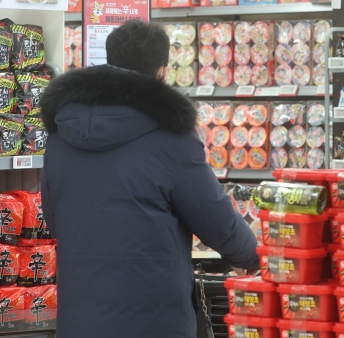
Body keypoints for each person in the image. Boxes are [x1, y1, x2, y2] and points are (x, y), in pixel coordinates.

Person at [40, 20, 259, 338]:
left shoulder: (62, 132)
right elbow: (213, 216)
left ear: (109, 61)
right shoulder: (170, 135)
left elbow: (54, 218)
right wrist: (251, 255)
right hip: (154, 318)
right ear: (161, 72)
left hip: (80, 316)